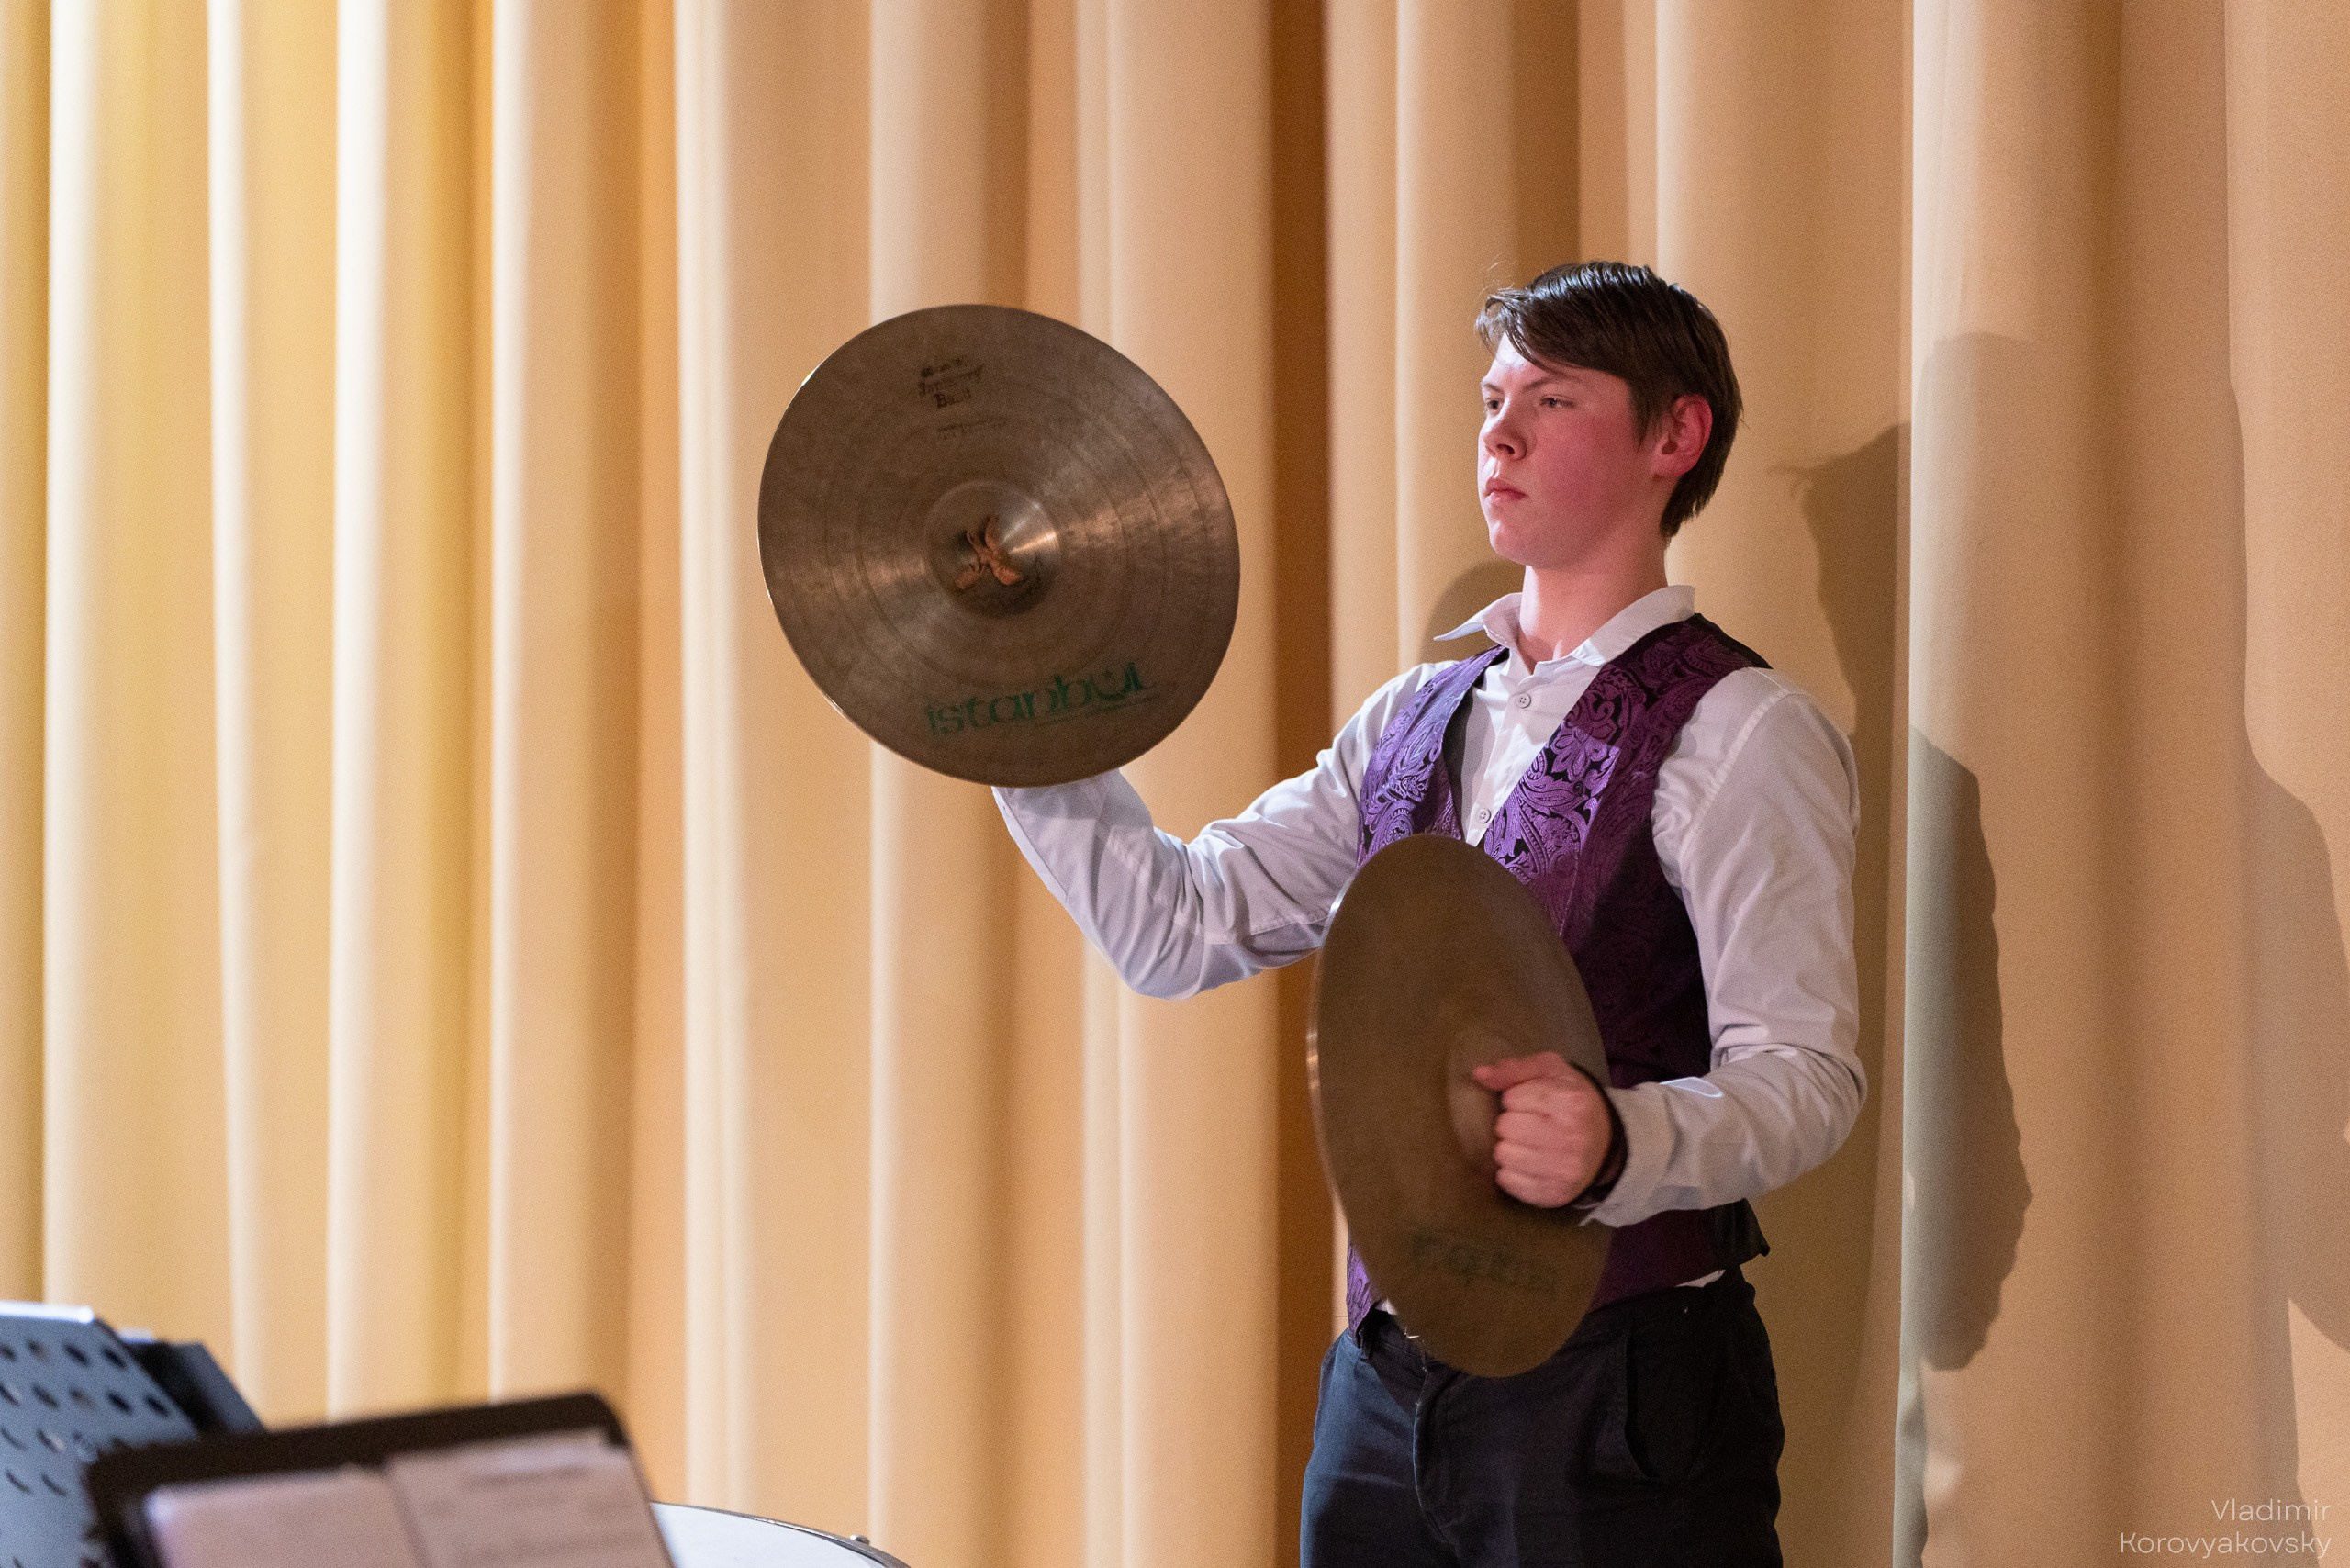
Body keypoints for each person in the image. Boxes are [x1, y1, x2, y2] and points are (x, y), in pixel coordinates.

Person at [994, 261, 1863, 1567]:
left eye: (1553, 399)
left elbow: (1808, 1076)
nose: (1499, 433)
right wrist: (1013, 703)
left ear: (1672, 439)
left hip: (1622, 1398)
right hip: (1387, 1384)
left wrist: (1623, 1140)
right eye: (1493, 396)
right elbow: (1175, 929)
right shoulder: (1411, 717)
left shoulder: (1741, 732)